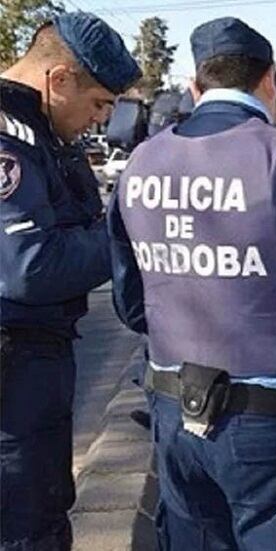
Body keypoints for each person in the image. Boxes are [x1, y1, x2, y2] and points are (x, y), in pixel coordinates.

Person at [106, 17, 276, 550]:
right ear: (271, 80)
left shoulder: (141, 162)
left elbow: (131, 302)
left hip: (174, 410)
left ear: (195, 87)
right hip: (272, 424)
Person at [0, 13, 141, 550]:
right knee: (24, 526)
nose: (101, 119)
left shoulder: (39, 132)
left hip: (35, 365)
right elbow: (31, 268)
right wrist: (132, 234)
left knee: (45, 512)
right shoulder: (10, 142)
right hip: (14, 374)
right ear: (58, 79)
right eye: (99, 103)